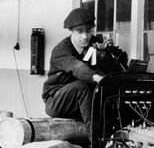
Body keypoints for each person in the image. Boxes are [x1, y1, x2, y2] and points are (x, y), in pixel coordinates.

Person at [42, 8, 111, 136]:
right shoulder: (61, 50)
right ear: (71, 31)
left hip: (81, 101)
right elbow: (76, 67)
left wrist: (108, 53)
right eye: (79, 32)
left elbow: (110, 67)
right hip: (56, 100)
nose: (85, 36)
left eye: (89, 31)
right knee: (83, 86)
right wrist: (96, 77)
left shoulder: (94, 43)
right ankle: (97, 142)